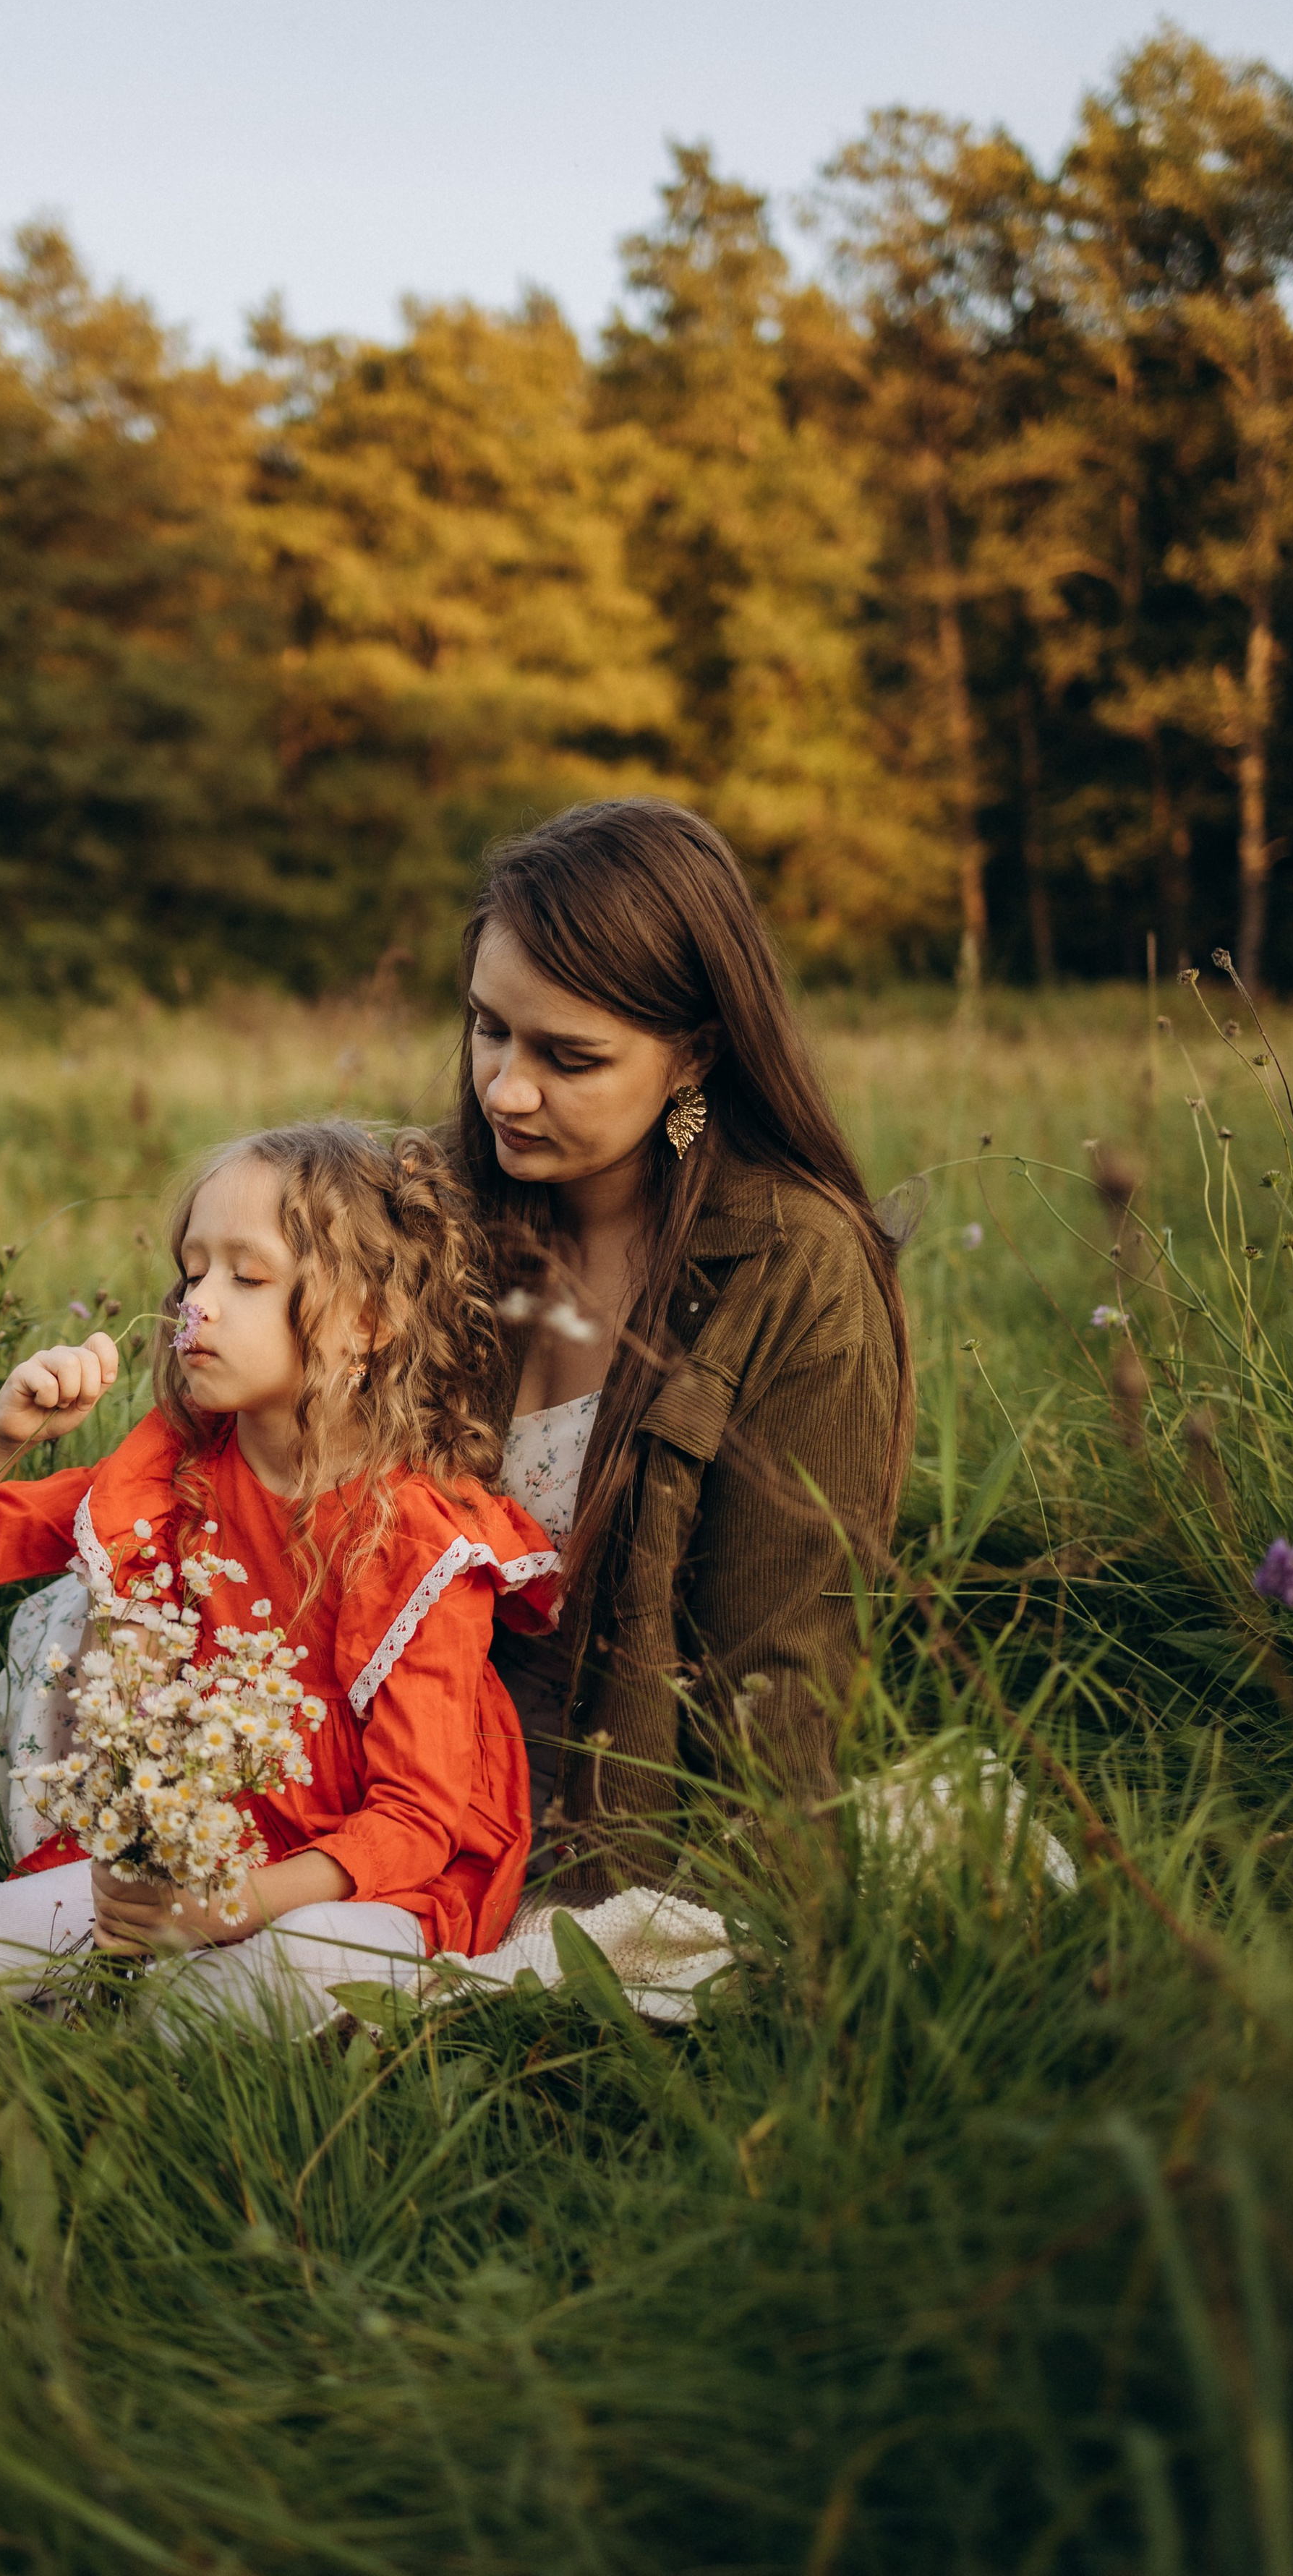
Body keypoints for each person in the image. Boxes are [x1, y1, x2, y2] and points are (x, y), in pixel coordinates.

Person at [0, 1121, 556, 2027]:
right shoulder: (175, 1475)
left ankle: (137, 2062)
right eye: (192, 1272)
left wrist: (230, 1909)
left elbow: (412, 1824)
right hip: (195, 1850)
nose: (197, 1306)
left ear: (368, 1322)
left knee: (305, 1967)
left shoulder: (424, 1541)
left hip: (363, 1884)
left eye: (246, 1277)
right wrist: (0, 1437)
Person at [461, 798, 912, 1891]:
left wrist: (746, 1895)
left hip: (614, 1813)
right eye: (488, 1030)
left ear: (695, 1055)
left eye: (570, 1058)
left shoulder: (794, 1268)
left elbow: (781, 1667)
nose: (506, 1091)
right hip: (393, 1777)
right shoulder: (434, 1213)